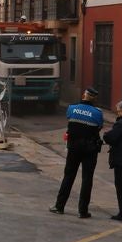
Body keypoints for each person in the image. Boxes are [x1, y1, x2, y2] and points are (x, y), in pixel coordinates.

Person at [49, 86, 104, 218]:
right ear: (94, 99)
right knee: (87, 179)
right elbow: (99, 127)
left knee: (68, 176)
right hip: (90, 149)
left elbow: (70, 121)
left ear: (84, 95)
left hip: (73, 148)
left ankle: (59, 206)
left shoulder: (72, 108)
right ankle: (83, 211)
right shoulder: (98, 112)